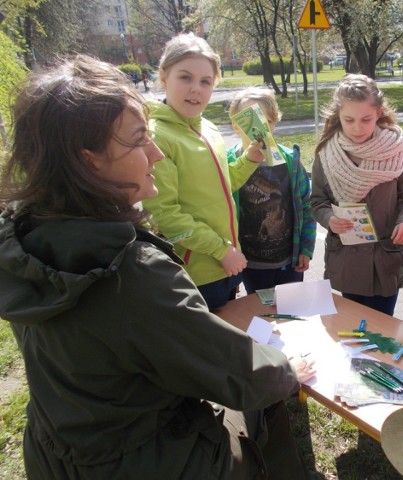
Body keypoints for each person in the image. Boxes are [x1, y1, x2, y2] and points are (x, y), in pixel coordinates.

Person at [0, 54, 319, 480]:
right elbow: (240, 373)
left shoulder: (26, 236)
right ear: (88, 159)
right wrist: (288, 371)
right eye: (138, 140)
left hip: (58, 455)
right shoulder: (131, 273)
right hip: (159, 460)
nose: (155, 153)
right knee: (269, 396)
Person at [142, 33, 264, 310]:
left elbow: (222, 184)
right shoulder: (156, 136)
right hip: (195, 274)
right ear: (164, 78)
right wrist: (221, 250)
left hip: (227, 265)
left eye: (205, 81)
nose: (196, 88)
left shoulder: (208, 127)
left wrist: (250, 159)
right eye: (185, 77)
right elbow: (165, 215)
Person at [310, 74, 403, 316]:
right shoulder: (327, 154)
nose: (357, 128)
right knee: (352, 331)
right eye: (349, 120)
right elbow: (317, 201)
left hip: (385, 261)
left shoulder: (395, 149)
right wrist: (329, 218)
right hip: (347, 261)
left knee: (382, 331)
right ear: (337, 115)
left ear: (379, 113)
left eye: (366, 119)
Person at [226, 86, 316, 294]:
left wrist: (306, 247)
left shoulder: (290, 161)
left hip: (289, 262)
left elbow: (306, 205)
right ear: (235, 126)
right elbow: (219, 211)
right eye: (250, 121)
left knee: (290, 316)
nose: (259, 130)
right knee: (259, 316)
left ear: (275, 123)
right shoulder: (227, 162)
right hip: (249, 264)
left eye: (267, 121)